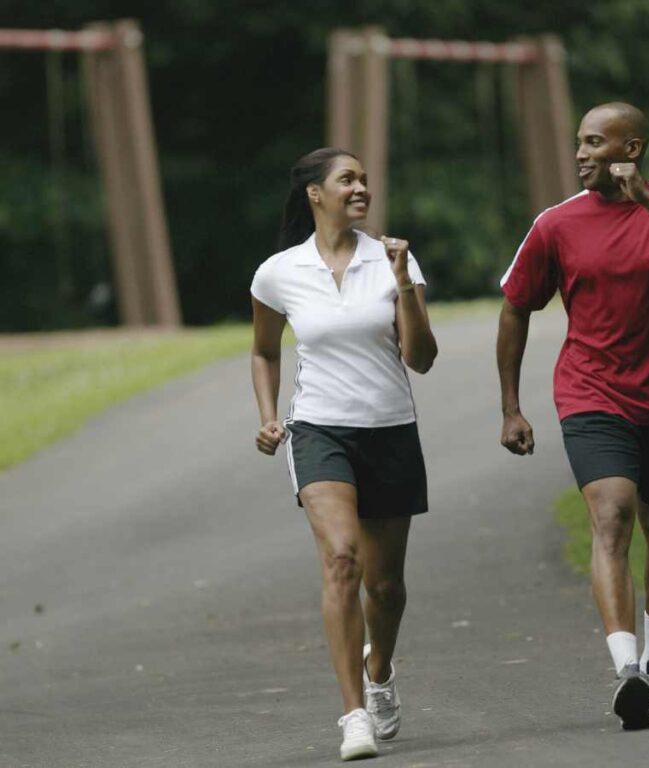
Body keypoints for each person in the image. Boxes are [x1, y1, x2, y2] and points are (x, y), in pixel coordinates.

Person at [496, 103, 649, 730]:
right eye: (579, 142)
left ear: (634, 147)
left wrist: (647, 204)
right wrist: (512, 406)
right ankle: (625, 667)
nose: (581, 154)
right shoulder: (556, 224)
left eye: (595, 143)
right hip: (591, 391)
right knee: (612, 514)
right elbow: (516, 305)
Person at [250, 147, 437, 760]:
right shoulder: (279, 272)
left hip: (390, 430)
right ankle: (353, 713)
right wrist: (269, 416)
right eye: (347, 179)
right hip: (319, 431)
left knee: (385, 588)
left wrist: (404, 277)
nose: (361, 188)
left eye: (364, 179)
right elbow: (264, 350)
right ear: (315, 193)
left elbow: (421, 358)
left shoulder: (391, 264)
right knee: (341, 559)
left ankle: (379, 670)